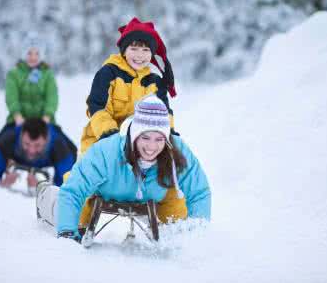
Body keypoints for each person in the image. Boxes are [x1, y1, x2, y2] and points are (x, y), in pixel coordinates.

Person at [36, 95, 211, 242]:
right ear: (134, 134)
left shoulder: (175, 150)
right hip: (101, 191)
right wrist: (67, 232)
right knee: (66, 211)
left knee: (177, 211)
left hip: (153, 193)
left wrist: (197, 237)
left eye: (159, 139)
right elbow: (74, 190)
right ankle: (46, 195)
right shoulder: (107, 151)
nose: (152, 146)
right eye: (145, 137)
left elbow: (199, 192)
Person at [80, 17, 178, 155]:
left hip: (139, 146)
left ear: (152, 54)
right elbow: (97, 107)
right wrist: (111, 135)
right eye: (134, 49)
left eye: (145, 50)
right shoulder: (108, 73)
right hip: (102, 140)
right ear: (124, 51)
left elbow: (163, 113)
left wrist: (169, 133)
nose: (140, 55)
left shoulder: (154, 82)